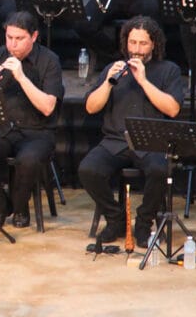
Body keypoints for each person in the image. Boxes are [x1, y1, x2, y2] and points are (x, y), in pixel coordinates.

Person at [79, 17, 185, 245]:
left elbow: (173, 109)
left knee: (158, 170)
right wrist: (107, 83)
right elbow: (90, 107)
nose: (136, 49)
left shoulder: (169, 70)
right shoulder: (113, 69)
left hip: (151, 141)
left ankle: (144, 222)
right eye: (132, 43)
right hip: (115, 140)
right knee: (88, 169)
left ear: (154, 44)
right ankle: (116, 219)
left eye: (143, 44)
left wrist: (144, 81)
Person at [0, 11, 63, 229]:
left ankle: (21, 207)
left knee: (29, 160)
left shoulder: (49, 61)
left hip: (37, 131)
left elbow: (48, 107)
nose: (13, 44)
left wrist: (21, 77)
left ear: (33, 36)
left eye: (19, 38)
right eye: (9, 38)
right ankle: (0, 207)